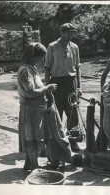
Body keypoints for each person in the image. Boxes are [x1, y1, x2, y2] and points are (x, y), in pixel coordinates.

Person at [17, 42, 57, 170]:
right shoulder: (25, 71)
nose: (42, 60)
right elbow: (30, 92)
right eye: (41, 57)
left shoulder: (31, 68)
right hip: (30, 109)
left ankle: (29, 162)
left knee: (33, 135)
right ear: (33, 56)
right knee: (32, 137)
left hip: (36, 108)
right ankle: (35, 167)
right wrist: (47, 88)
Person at [44, 23, 82, 152]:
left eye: (72, 32)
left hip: (70, 83)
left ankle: (73, 141)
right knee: (56, 113)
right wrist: (47, 87)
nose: (71, 35)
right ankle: (56, 142)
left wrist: (79, 87)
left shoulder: (75, 47)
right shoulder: (52, 47)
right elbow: (47, 67)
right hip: (56, 82)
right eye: (68, 32)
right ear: (61, 32)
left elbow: (77, 68)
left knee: (72, 112)